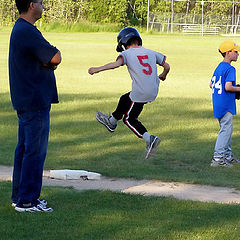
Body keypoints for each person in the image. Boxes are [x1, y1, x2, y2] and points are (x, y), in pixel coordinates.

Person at [9, 0, 61, 212]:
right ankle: (28, 201)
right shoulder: (27, 31)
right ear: (31, 5)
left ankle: (20, 197)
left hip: (28, 99)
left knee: (25, 149)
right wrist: (50, 60)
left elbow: (49, 58)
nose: (43, 5)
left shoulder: (22, 28)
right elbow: (55, 56)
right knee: (34, 152)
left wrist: (47, 60)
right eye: (40, 2)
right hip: (34, 100)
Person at [88, 27, 170, 159]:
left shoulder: (127, 54)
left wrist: (98, 69)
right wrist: (163, 75)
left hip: (141, 92)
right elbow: (167, 66)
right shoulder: (151, 52)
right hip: (153, 90)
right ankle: (112, 121)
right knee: (125, 99)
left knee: (129, 118)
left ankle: (150, 139)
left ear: (124, 43)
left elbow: (116, 64)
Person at [210, 40, 240, 167]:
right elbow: (228, 87)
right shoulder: (230, 68)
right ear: (228, 53)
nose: (238, 54)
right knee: (225, 130)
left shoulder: (219, 67)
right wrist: (239, 89)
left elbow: (211, 84)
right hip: (226, 103)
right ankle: (218, 159)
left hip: (218, 102)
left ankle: (227, 156)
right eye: (235, 51)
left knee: (227, 129)